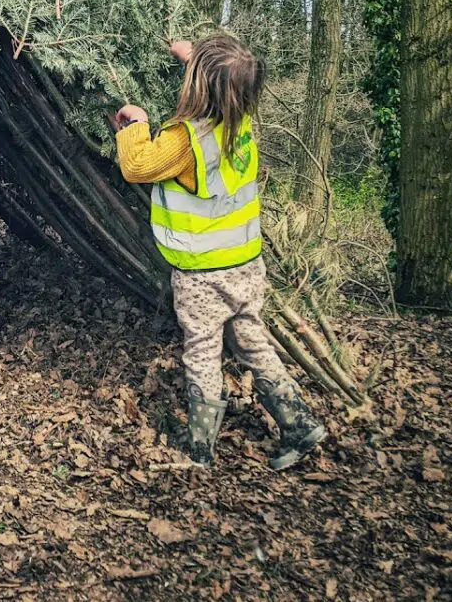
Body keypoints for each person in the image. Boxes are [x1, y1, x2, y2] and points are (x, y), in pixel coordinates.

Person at [112, 35, 326, 470]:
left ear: (199, 86)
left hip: (202, 274)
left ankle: (200, 447)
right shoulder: (240, 118)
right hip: (246, 266)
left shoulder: (184, 141)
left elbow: (137, 166)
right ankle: (299, 424)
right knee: (252, 343)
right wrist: (190, 55)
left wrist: (135, 124)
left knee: (203, 351)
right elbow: (225, 75)